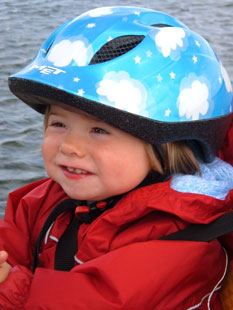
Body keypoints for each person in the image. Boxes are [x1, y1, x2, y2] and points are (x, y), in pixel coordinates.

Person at [1, 6, 233, 309]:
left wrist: (10, 288)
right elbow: (12, 240)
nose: (70, 146)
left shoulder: (185, 241)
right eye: (58, 124)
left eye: (98, 130)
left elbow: (107, 302)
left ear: (166, 146)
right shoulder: (41, 201)